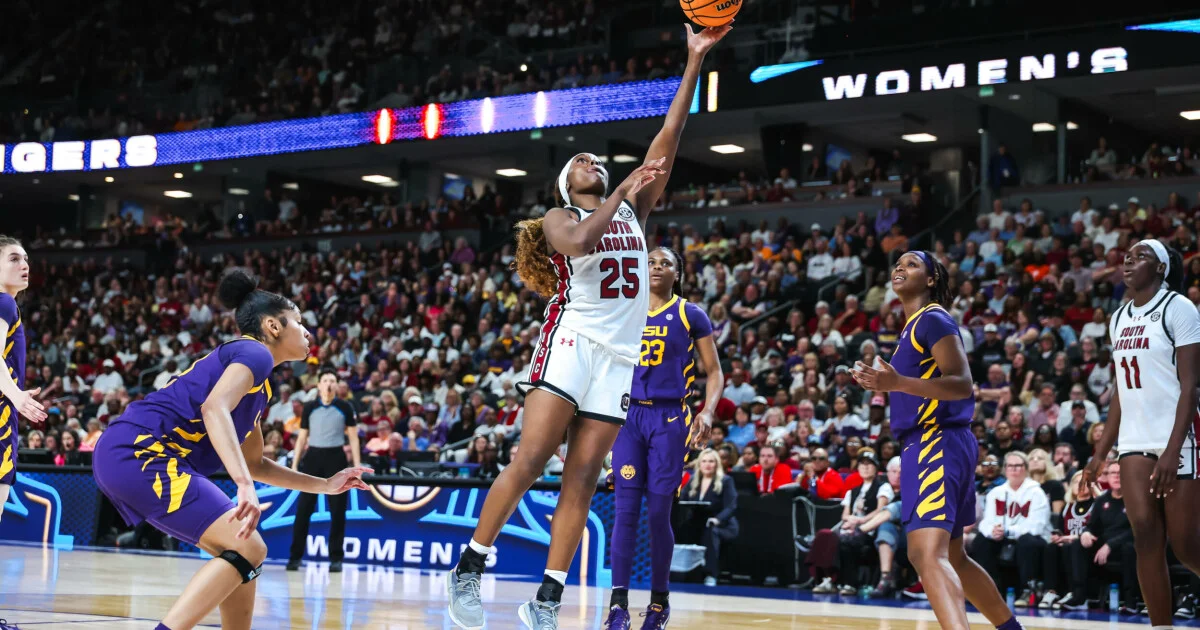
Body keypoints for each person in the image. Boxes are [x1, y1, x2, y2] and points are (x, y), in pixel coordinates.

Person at [447, 24, 730, 630]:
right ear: (566, 184)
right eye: (581, 161)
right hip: (571, 343)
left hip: (619, 360)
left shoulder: (632, 209)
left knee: (581, 478)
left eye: (597, 161)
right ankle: (469, 567)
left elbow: (670, 134)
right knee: (531, 459)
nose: (592, 161)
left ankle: (546, 601)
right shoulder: (560, 216)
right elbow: (579, 242)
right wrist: (622, 187)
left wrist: (693, 60)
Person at [91, 268, 370, 630]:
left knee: (243, 554)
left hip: (129, 454)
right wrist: (242, 485)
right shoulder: (255, 352)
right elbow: (214, 409)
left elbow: (256, 464)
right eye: (299, 322)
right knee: (250, 547)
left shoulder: (259, 385)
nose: (307, 331)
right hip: (140, 451)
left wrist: (326, 485)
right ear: (273, 326)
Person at [853, 250, 1023, 630]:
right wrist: (888, 384)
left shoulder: (932, 319)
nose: (900, 267)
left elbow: (961, 384)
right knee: (954, 558)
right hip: (945, 442)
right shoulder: (913, 327)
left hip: (934, 441)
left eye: (912, 264)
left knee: (925, 553)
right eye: (897, 263)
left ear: (931, 280)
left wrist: (896, 382)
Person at [1083, 239, 1200, 626]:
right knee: (1145, 539)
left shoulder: (1178, 308)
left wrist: (1172, 450)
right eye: (1127, 257)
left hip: (1178, 436)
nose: (1129, 262)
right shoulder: (1118, 317)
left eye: (1141, 257)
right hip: (1134, 439)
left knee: (1185, 546)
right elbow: (1120, 390)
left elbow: (1191, 387)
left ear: (1161, 268)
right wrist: (1100, 454)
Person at [605, 247, 723, 630]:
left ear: (678, 273)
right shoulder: (625, 309)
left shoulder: (690, 314)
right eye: (651, 262)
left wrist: (707, 410)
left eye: (665, 263)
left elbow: (714, 371)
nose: (656, 267)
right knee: (625, 512)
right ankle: (618, 606)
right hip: (628, 418)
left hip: (670, 418)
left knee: (658, 514)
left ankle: (659, 603)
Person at [287, 369, 362, 572]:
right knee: (303, 510)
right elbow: (302, 437)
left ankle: (336, 558)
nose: (329, 383)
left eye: (332, 380)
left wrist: (356, 466)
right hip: (312, 458)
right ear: (319, 385)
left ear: (336, 385)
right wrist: (295, 464)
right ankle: (295, 557)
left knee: (338, 511)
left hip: (336, 458)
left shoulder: (345, 407)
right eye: (325, 380)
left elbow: (353, 438)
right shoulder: (309, 407)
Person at [0, 236, 47, 521]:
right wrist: (16, 396)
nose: (24, 264)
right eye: (14, 259)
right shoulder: (4, 302)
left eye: (26, 258)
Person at [969, 451, 1052, 606]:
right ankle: (990, 589)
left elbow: (1037, 526)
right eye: (1010, 466)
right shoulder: (996, 492)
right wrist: (993, 531)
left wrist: (1008, 531)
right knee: (981, 540)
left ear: (1025, 469)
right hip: (1003, 537)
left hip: (1032, 538)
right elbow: (986, 522)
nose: (1014, 469)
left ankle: (1028, 591)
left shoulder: (1036, 492)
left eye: (1018, 466)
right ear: (1005, 469)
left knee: (1027, 541)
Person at [680, 448, 738, 587]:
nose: (707, 464)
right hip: (698, 522)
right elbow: (682, 501)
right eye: (704, 461)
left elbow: (731, 506)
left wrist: (717, 520)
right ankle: (682, 572)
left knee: (710, 532)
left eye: (711, 461)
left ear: (716, 464)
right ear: (699, 464)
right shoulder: (693, 480)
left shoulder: (726, 481)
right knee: (682, 529)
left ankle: (710, 574)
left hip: (722, 524)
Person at [1039, 471, 1096, 610]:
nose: (1080, 485)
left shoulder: (1096, 505)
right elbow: (1060, 530)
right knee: (1051, 547)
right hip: (1067, 546)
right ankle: (1051, 592)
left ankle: (1075, 593)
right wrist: (1057, 537)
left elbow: (1097, 531)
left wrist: (1074, 538)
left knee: (1072, 546)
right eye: (1076, 482)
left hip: (1088, 547)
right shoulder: (1067, 508)